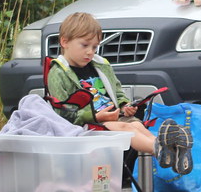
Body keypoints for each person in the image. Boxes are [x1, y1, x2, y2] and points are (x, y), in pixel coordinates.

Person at [46, 12, 193, 175]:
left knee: (136, 125)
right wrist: (96, 116)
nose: (90, 52)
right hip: (87, 123)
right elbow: (62, 114)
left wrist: (124, 106)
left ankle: (169, 150)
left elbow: (117, 91)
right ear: (64, 42)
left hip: (112, 115)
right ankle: (162, 150)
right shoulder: (58, 73)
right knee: (125, 127)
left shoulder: (100, 64)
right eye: (85, 45)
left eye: (95, 47)